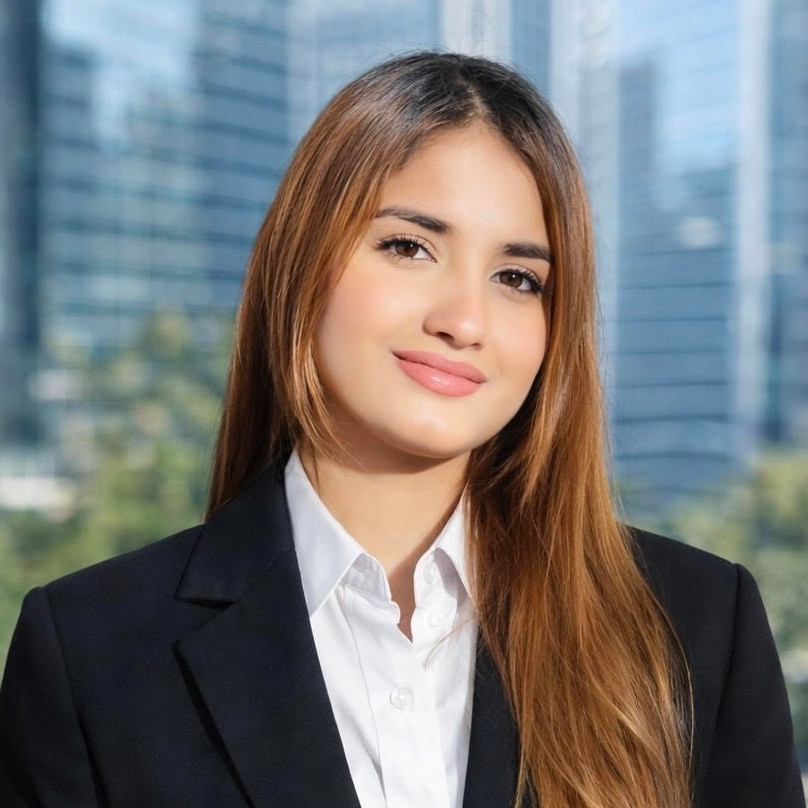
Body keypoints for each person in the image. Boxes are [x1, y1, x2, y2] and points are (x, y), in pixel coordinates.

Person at [0, 50, 803, 808]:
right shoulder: (94, 651)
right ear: (302, 263)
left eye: (518, 278)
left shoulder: (697, 628)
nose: (464, 320)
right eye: (410, 247)